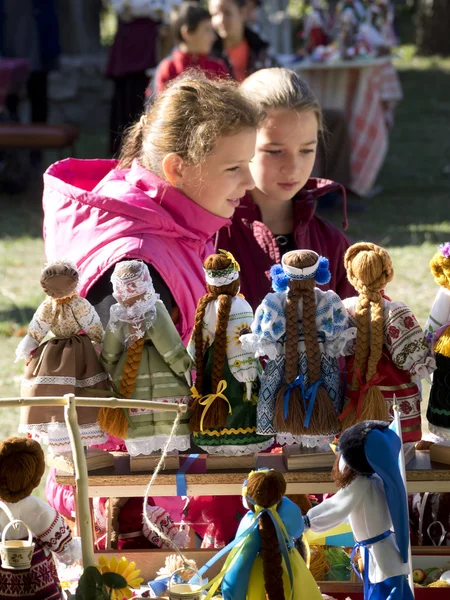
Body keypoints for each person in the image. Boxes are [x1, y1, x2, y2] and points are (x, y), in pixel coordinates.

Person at [43, 73, 259, 344]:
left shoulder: (176, 225)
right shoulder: (137, 266)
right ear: (177, 168)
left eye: (249, 163)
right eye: (233, 168)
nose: (250, 182)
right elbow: (130, 380)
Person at [216, 67, 354, 311]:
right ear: (239, 144)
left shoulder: (334, 245)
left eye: (306, 150)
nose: (293, 168)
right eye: (274, 151)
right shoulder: (211, 238)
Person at [241, 250, 354, 447]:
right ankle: (319, 445)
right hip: (320, 363)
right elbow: (337, 337)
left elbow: (264, 337)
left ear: (283, 276)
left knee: (277, 393)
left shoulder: (274, 303)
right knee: (326, 396)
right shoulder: (328, 301)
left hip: (285, 364)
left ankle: (291, 445)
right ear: (318, 273)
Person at [305, 420, 414, 600]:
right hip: (383, 551)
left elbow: (337, 507)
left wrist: (307, 521)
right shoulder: (378, 479)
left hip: (380, 557)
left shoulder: (360, 483)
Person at [340, 243, 434, 443]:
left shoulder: (345, 308)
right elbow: (412, 357)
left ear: (353, 277)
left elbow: (338, 347)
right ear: (386, 275)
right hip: (391, 378)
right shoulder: (396, 311)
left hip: (355, 375)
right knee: (396, 434)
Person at [154, 1, 230, 94]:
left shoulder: (217, 67)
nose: (213, 37)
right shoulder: (169, 69)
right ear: (187, 33)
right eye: (207, 30)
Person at [208, 0, 276, 82]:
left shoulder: (260, 49)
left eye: (227, 13)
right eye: (215, 14)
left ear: (242, 12)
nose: (221, 20)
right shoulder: (207, 52)